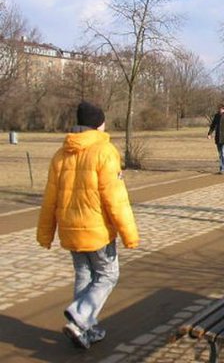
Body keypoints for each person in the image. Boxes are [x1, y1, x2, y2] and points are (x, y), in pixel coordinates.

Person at [36, 101, 139, 350]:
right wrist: (129, 234)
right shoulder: (105, 152)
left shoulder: (61, 154)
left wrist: (45, 234)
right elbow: (116, 199)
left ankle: (85, 330)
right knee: (108, 275)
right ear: (98, 124)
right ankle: (80, 317)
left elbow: (49, 199)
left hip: (70, 231)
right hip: (97, 231)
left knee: (84, 275)